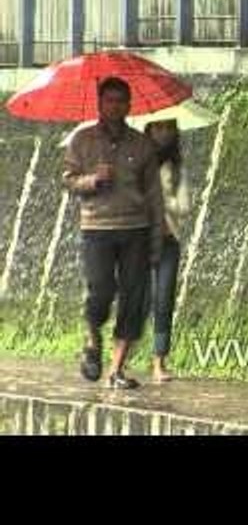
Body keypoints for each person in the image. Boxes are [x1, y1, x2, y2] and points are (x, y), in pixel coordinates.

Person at [63, 77, 163, 389]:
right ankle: (92, 339)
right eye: (109, 100)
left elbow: (154, 195)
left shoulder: (141, 144)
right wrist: (93, 179)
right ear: (100, 104)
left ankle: (117, 370)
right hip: (97, 227)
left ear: (129, 105)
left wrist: (157, 239)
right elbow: (68, 180)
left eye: (121, 100)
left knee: (134, 300)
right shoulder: (81, 139)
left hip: (136, 229)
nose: (115, 106)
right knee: (101, 291)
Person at [143, 118, 190, 383]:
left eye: (169, 127)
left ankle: (159, 362)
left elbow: (184, 206)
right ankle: (120, 361)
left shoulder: (176, 167)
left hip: (167, 241)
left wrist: (163, 201)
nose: (164, 132)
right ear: (148, 130)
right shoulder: (135, 162)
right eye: (158, 127)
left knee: (163, 301)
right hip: (138, 240)